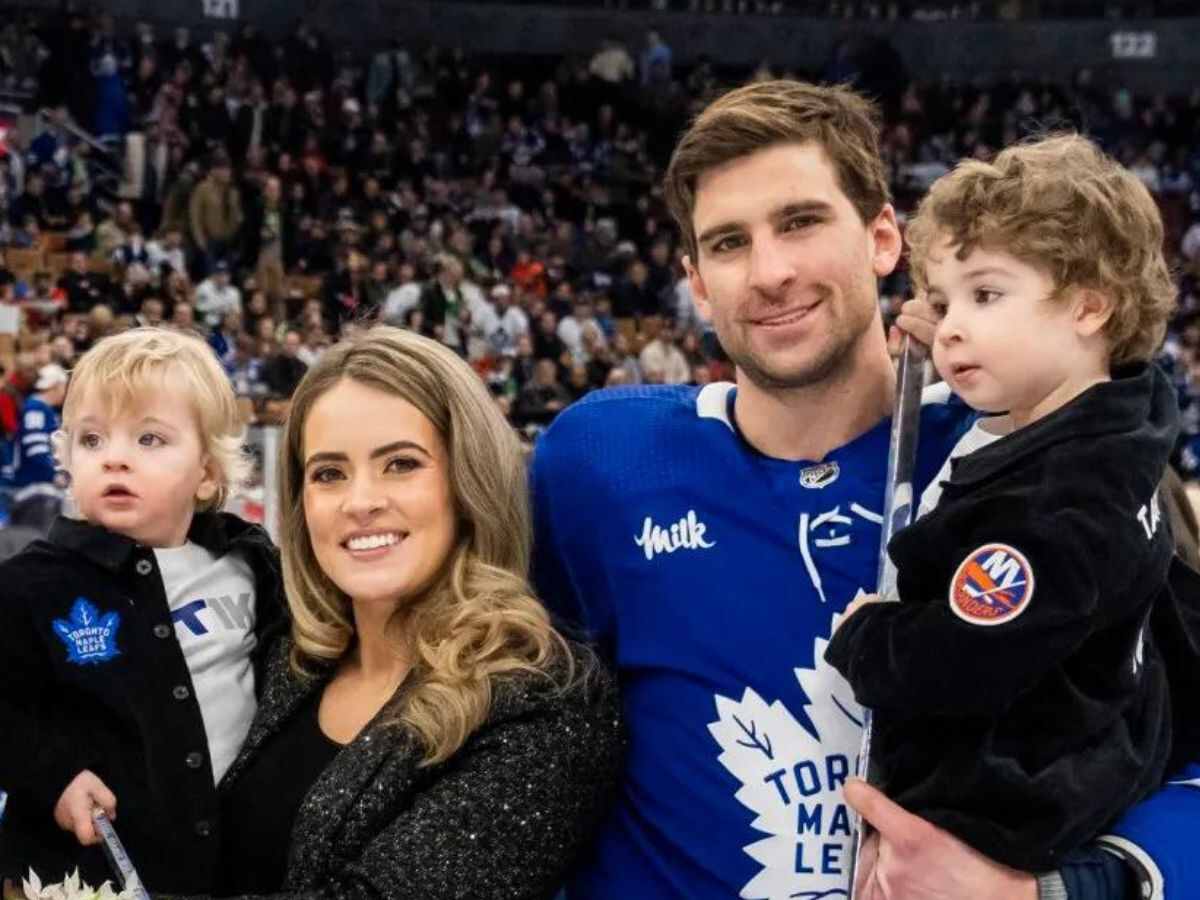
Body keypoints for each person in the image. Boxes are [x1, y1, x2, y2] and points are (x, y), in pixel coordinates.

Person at [530, 80, 1200, 900]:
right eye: (729, 243)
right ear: (697, 283)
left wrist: (1055, 892)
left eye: (801, 222)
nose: (770, 271)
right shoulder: (599, 463)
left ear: (885, 238)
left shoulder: (1057, 460)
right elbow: (519, 729)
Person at [826, 134, 1200, 873]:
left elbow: (966, 656)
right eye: (945, 299)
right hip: (1112, 735)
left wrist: (869, 636)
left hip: (1012, 810)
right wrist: (983, 338)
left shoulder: (1062, 505)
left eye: (987, 294)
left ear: (1090, 307)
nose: (954, 323)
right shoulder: (1121, 417)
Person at [167, 326, 621, 898]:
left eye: (401, 464)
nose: (360, 503)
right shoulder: (283, 652)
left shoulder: (549, 701)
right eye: (329, 473)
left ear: (467, 481)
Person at [0, 327, 285, 892]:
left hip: (233, 871)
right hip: (83, 877)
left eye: (149, 439)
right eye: (92, 440)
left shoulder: (250, 564)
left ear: (207, 470)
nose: (115, 460)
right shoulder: (30, 585)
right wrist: (52, 775)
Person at [4, 363, 68, 533]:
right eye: (63, 387)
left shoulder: (41, 408)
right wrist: (53, 474)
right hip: (33, 485)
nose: (64, 392)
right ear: (55, 386)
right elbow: (36, 449)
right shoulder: (36, 409)